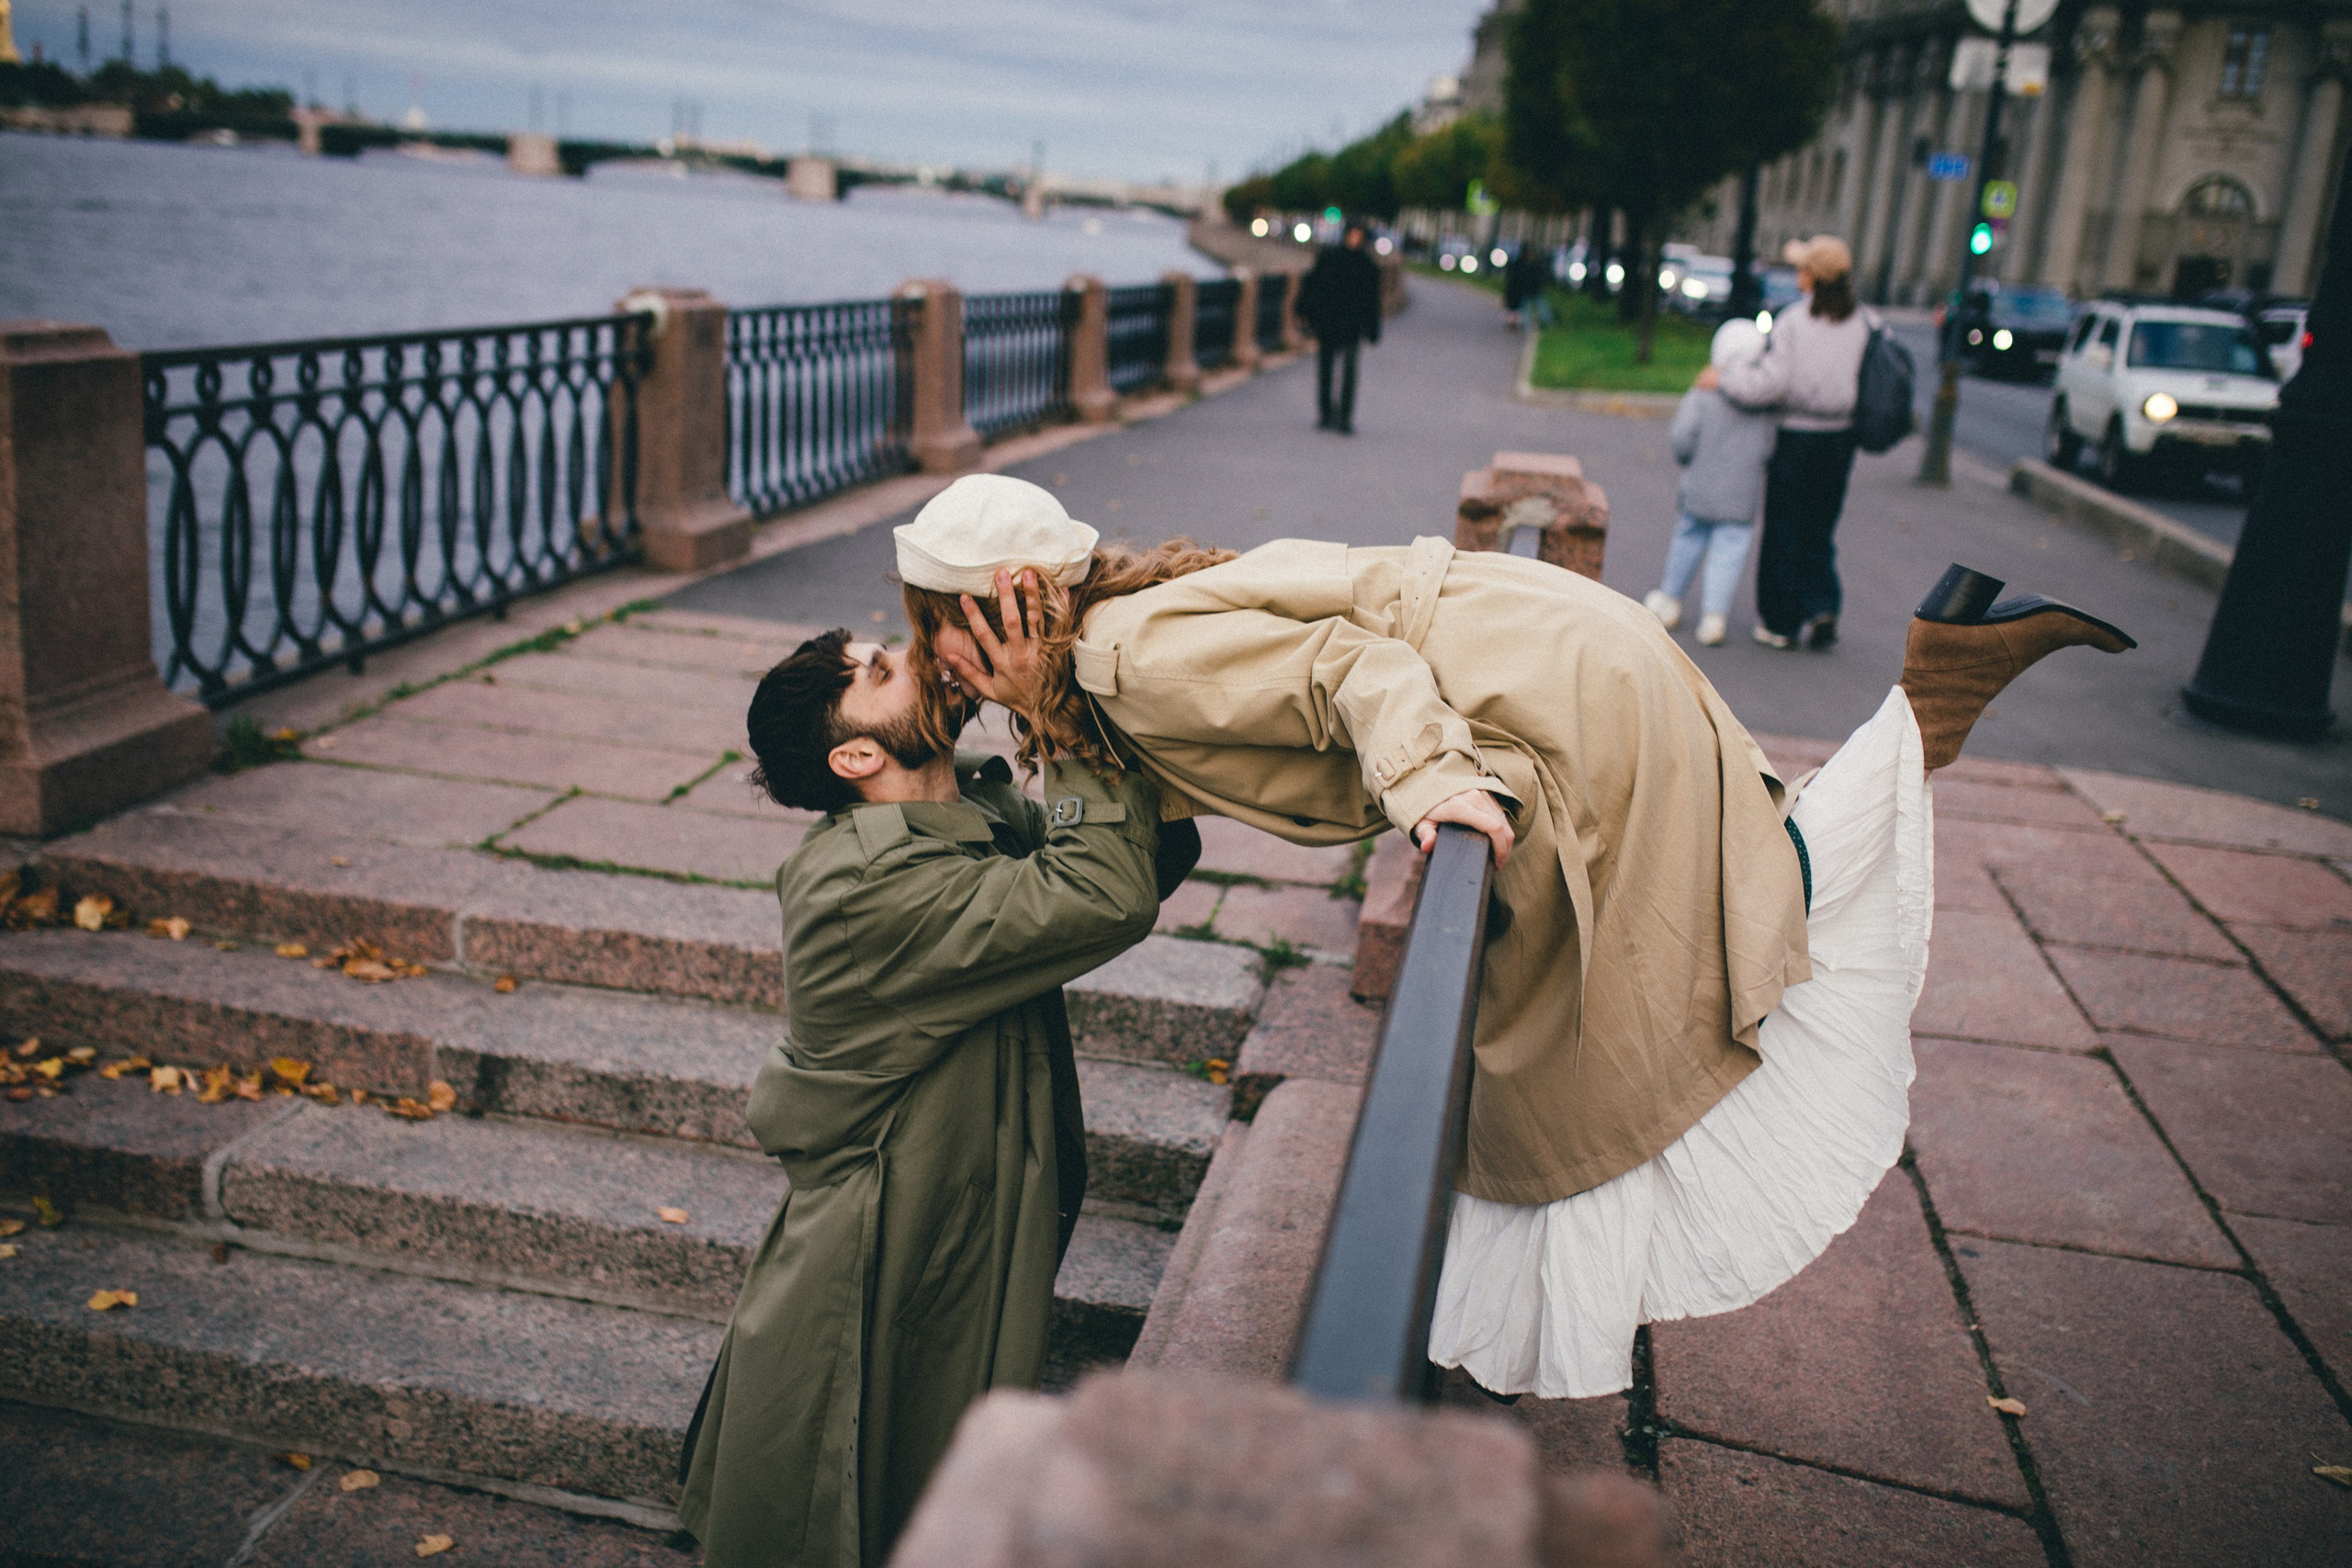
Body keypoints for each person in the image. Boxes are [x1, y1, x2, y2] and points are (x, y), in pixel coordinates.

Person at [891, 473, 2134, 1401]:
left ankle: (1935, 686)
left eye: (932, 626)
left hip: (1538, 692)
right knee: (1741, 891)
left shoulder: (1126, 652)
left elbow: (1348, 672)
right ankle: (1939, 677)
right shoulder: (1118, 636)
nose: (930, 659)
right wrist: (1038, 711)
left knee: (1687, 955)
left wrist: (1428, 780)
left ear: (1009, 603)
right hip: (1547, 648)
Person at [674, 605, 1198, 1568]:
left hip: (953, 1200)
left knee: (925, 1467)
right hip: (886, 1236)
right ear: (855, 758)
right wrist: (1055, 712)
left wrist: (1072, 695)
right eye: (881, 671)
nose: (913, 658)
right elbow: (1100, 896)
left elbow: (1147, 856)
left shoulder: (968, 816)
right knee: (849, 1478)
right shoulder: (861, 887)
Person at [1702, 234, 1872, 651]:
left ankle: (1780, 622)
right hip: (1840, 439)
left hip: (1795, 437)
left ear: (1813, 277)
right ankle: (1822, 604)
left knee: (1784, 528)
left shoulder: (1793, 321)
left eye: (1802, 268)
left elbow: (1772, 384)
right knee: (1820, 526)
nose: (1797, 274)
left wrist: (1725, 379)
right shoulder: (1865, 322)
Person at [1645, 318, 1779, 647]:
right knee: (1729, 552)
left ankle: (1670, 599)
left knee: (1688, 538)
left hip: (1701, 486)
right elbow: (1769, 446)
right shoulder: (1762, 400)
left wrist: (1686, 458)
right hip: (1741, 492)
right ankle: (1714, 617)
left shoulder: (1704, 390)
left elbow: (1682, 437)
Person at [1294, 220, 1384, 433]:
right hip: (1328, 321)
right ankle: (1325, 413)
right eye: (1353, 234)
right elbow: (1311, 284)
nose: (1355, 239)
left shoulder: (1367, 265)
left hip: (1352, 325)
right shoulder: (1329, 257)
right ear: (1346, 235)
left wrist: (1372, 328)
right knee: (1325, 369)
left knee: (1349, 372)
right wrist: (1303, 311)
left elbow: (1372, 300)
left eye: (1359, 236)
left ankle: (1344, 417)